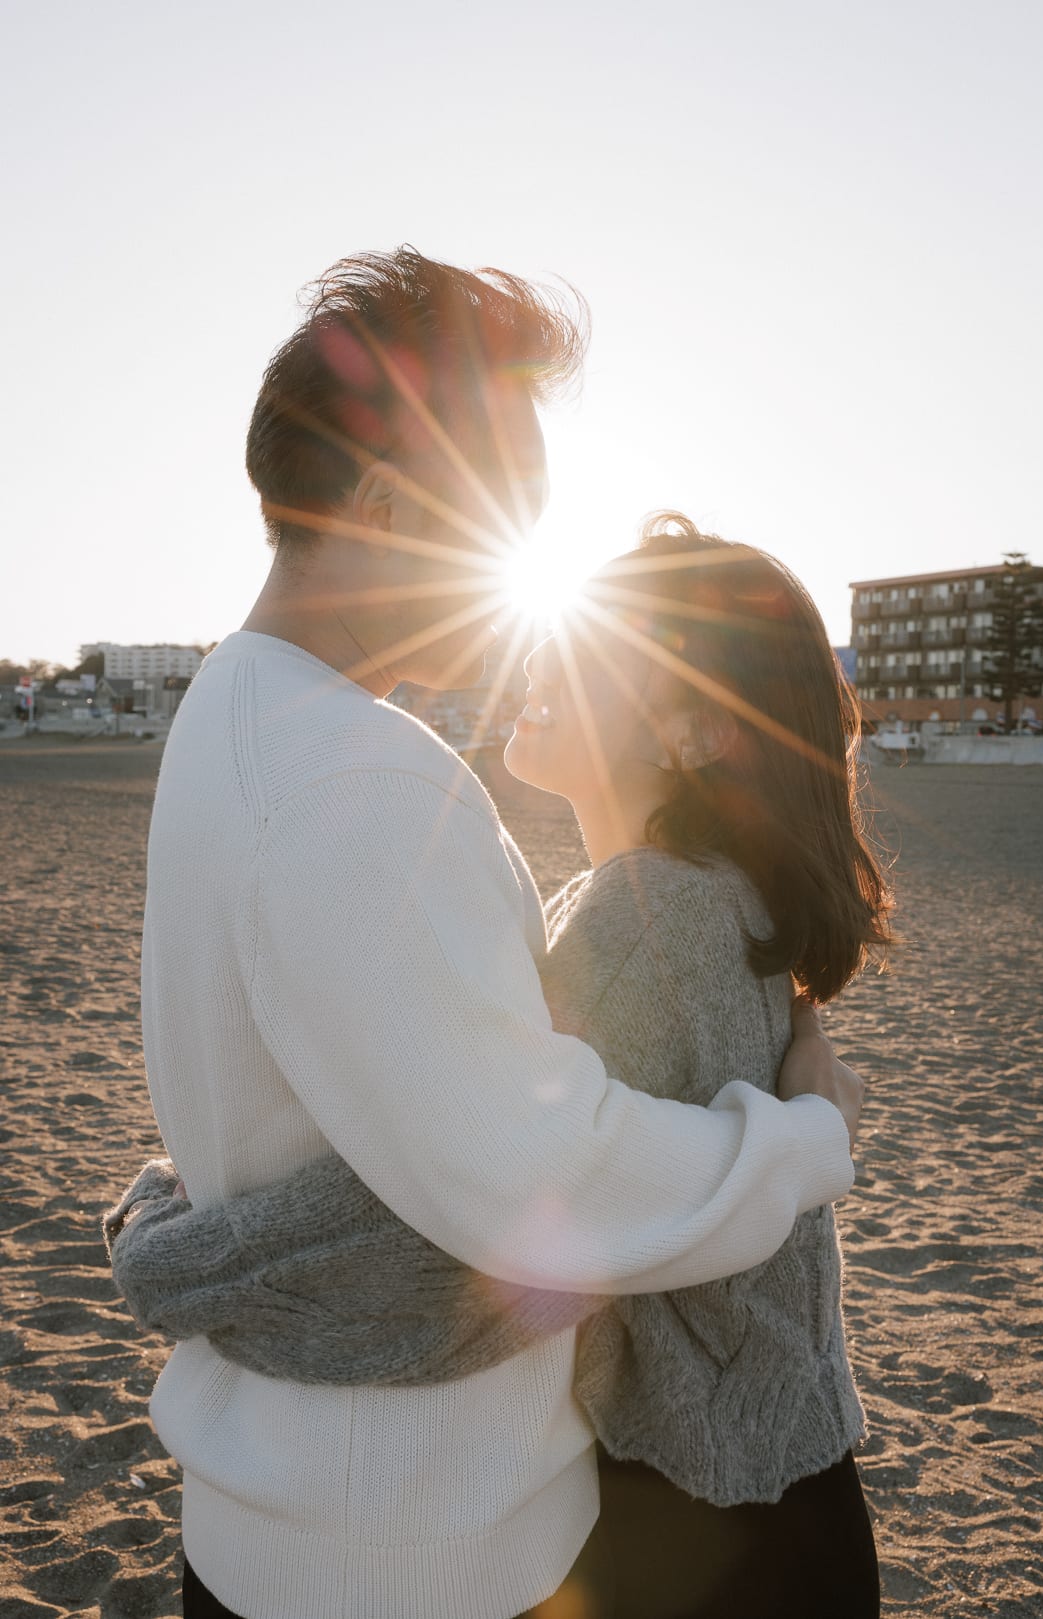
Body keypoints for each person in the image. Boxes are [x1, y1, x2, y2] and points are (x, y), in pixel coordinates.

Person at [124, 246, 866, 1619]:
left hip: (306, 1519)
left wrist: (185, 1234)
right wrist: (806, 1141)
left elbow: (389, 1130)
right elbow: (541, 1182)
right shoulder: (357, 776)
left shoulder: (235, 711)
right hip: (409, 1552)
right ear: (388, 502)